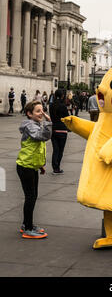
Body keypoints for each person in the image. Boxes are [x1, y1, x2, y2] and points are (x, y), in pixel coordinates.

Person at [16, 100, 52, 239]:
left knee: (33, 196)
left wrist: (40, 165)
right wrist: (49, 122)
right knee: (30, 197)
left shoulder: (35, 124)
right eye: (38, 111)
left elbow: (36, 149)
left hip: (31, 166)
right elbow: (42, 137)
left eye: (42, 111)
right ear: (29, 114)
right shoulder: (31, 126)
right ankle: (28, 229)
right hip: (26, 166)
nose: (41, 114)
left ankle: (26, 224)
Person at [49, 89, 69, 174]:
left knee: (55, 150)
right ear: (62, 96)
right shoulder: (63, 106)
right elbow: (67, 117)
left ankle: (55, 168)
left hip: (54, 129)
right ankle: (57, 167)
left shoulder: (51, 106)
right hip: (62, 129)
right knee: (60, 150)